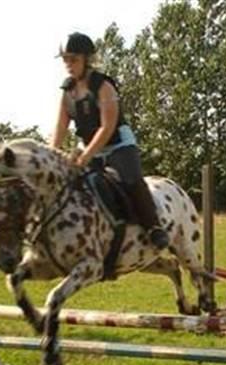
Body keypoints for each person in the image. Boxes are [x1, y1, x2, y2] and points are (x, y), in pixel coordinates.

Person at [51, 32, 169, 249]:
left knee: (131, 179)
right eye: (66, 60)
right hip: (88, 147)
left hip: (118, 144)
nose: (69, 64)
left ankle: (154, 227)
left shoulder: (104, 86)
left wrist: (86, 156)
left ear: (87, 60)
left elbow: (107, 127)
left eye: (74, 59)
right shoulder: (67, 92)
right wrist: (51, 155)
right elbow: (60, 128)